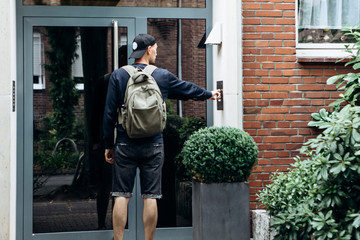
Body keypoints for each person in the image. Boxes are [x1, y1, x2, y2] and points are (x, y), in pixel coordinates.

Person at [103, 33, 220, 240]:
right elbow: (186, 89)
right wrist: (208, 94)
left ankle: (118, 238)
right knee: (151, 196)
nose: (157, 51)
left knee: (121, 194)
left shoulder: (119, 76)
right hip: (154, 145)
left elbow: (109, 114)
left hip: (124, 142)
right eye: (155, 48)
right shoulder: (162, 76)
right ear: (148, 49)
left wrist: (107, 144)